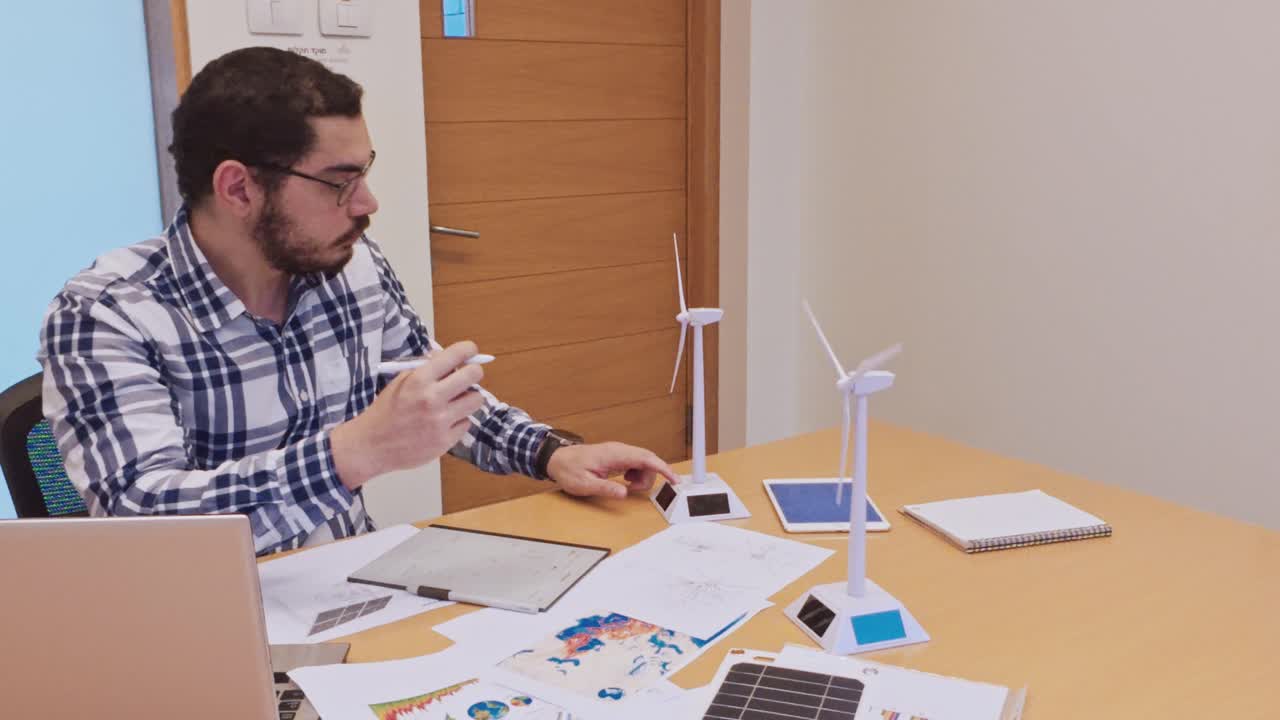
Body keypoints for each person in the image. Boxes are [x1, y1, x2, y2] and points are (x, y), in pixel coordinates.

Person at [38, 46, 678, 555]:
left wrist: (552, 453)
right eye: (341, 183)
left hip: (348, 585)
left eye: (365, 173)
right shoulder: (106, 314)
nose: (368, 204)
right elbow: (146, 521)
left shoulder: (347, 265)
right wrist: (356, 450)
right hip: (205, 622)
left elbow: (436, 398)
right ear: (237, 188)